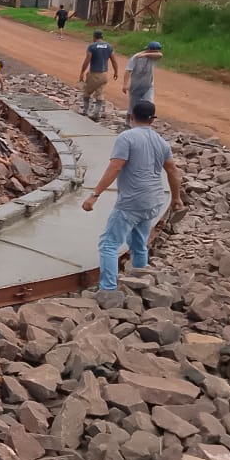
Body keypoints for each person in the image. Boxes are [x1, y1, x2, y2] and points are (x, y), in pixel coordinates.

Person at [82, 100, 183, 307]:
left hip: (131, 201)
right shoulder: (161, 142)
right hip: (153, 201)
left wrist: (95, 194)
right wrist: (176, 198)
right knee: (139, 242)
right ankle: (139, 280)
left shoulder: (126, 137)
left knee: (109, 244)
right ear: (153, 120)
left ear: (130, 117)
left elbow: (116, 166)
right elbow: (172, 171)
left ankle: (108, 291)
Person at [78, 30, 119, 121]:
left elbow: (87, 60)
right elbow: (113, 60)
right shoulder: (109, 46)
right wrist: (116, 72)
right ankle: (96, 114)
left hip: (94, 73)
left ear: (94, 37)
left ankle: (85, 111)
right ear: (102, 37)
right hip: (104, 74)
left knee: (87, 92)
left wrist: (82, 72)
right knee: (99, 94)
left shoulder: (92, 47)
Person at [122, 41, 163, 124]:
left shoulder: (152, 57)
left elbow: (160, 55)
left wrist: (145, 54)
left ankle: (147, 123)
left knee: (149, 105)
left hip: (148, 86)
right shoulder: (136, 58)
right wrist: (125, 84)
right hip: (135, 86)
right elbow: (128, 71)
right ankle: (128, 121)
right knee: (133, 106)